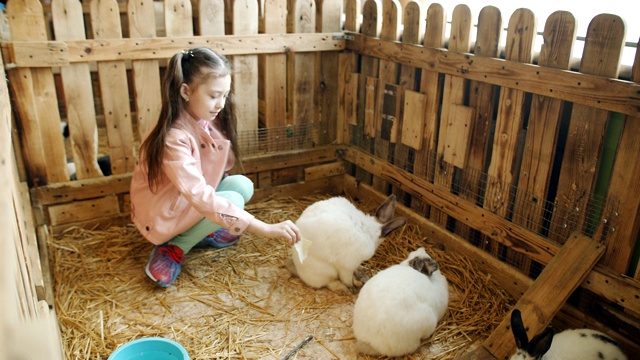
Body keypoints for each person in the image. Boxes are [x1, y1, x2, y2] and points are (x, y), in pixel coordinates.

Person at [130, 47, 301, 288]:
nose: (221, 104)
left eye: (225, 95)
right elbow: (200, 196)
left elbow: (219, 167)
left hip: (182, 201)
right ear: (186, 91)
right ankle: (173, 248)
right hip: (162, 214)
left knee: (243, 185)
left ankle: (203, 230)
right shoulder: (174, 137)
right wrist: (265, 228)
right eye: (213, 96)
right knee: (234, 200)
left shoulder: (201, 117)